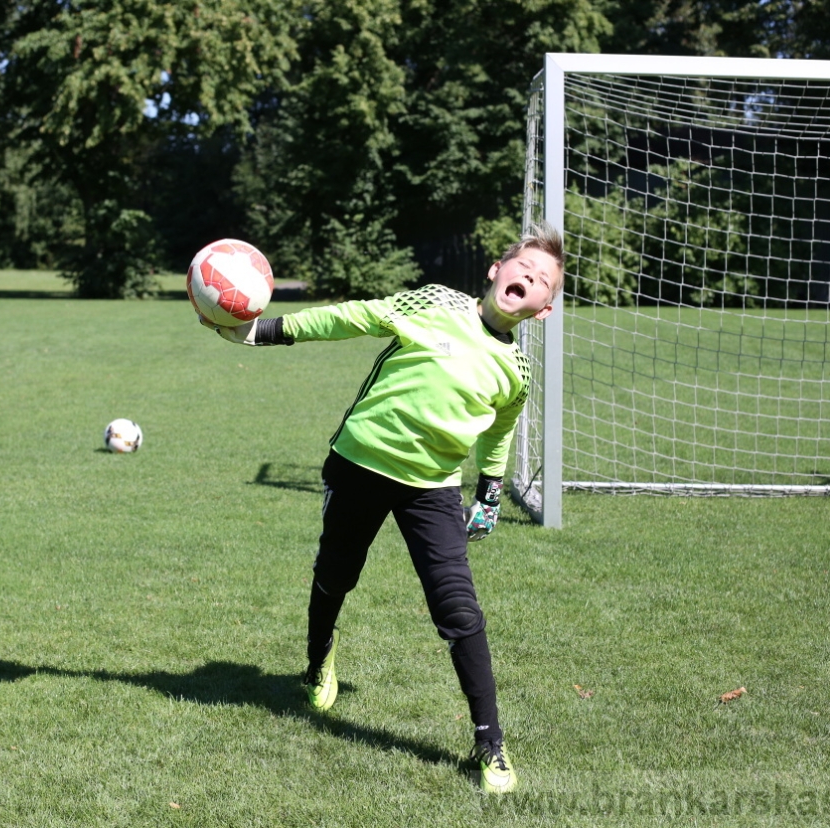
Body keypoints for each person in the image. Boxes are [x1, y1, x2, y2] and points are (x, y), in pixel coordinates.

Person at [203, 224, 564, 794]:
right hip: (359, 464)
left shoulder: (514, 374)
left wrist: (489, 493)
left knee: (458, 610)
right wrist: (263, 332)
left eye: (543, 281)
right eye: (523, 267)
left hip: (432, 490)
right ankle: (319, 662)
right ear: (497, 270)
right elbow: (352, 316)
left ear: (543, 309)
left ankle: (490, 741)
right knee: (334, 576)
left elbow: (499, 433)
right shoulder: (435, 303)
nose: (529, 278)